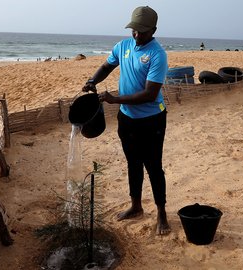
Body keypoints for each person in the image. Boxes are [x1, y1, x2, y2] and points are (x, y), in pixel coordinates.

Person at [82, 6, 171, 235]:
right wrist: (93, 80)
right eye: (134, 30)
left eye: (142, 31)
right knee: (133, 163)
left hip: (152, 120)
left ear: (153, 30)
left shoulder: (157, 54)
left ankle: (161, 213)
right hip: (127, 119)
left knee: (153, 167)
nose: (136, 35)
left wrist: (115, 99)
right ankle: (136, 206)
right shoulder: (123, 46)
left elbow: (150, 94)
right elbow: (106, 66)